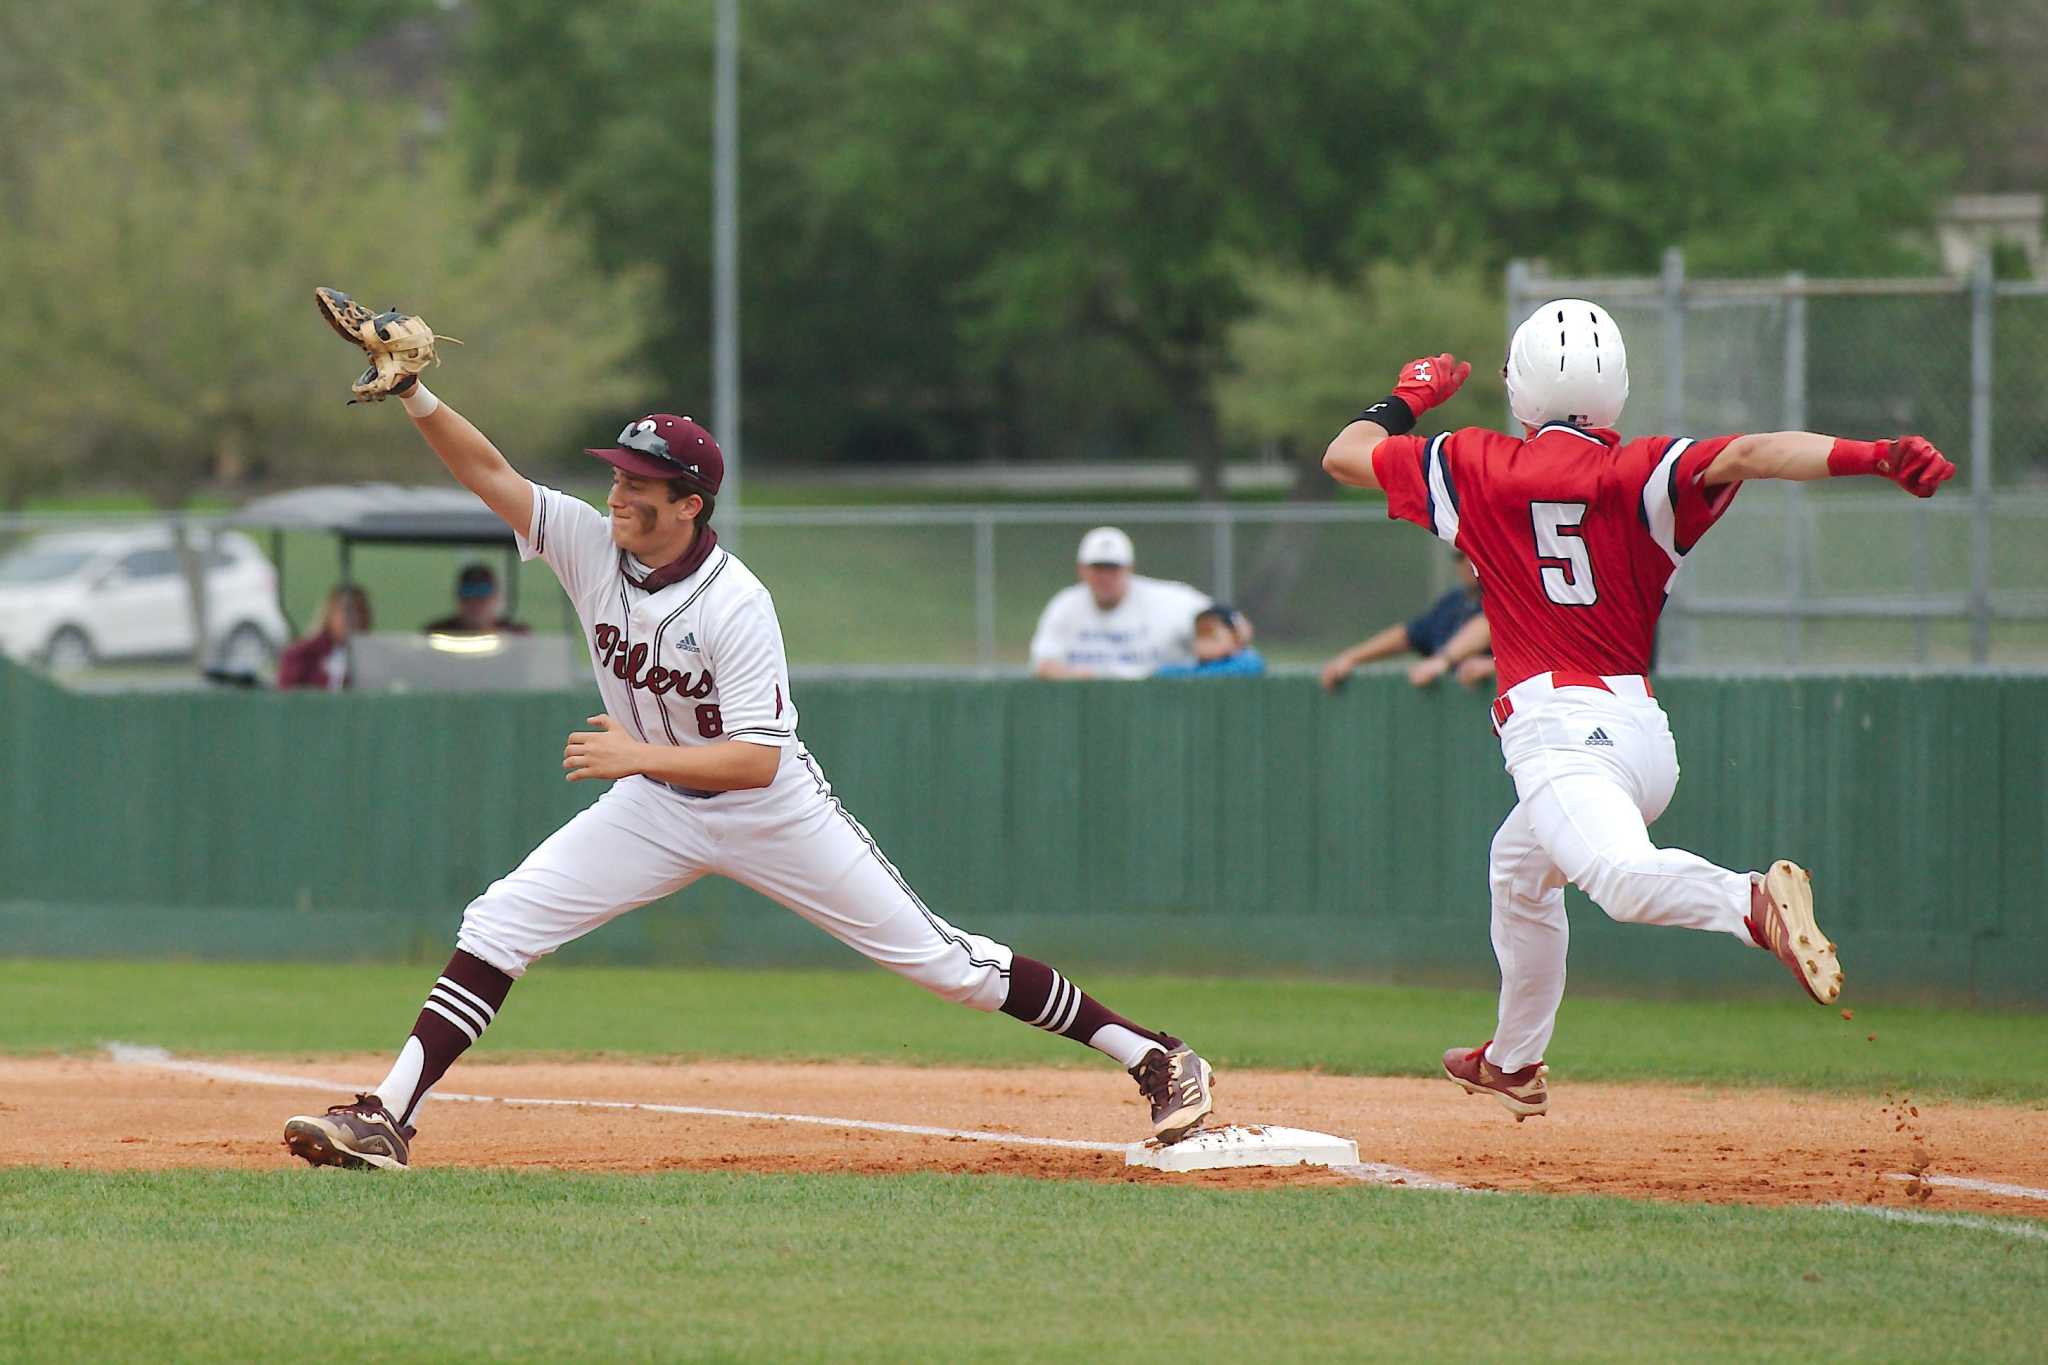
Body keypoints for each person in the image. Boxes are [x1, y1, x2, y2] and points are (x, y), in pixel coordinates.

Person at [283, 365, 1216, 1172]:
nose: (618, 493)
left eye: (642, 483)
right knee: (502, 918)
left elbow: (757, 758)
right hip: (652, 805)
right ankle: (386, 1116)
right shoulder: (586, 543)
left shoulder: (736, 603)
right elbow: (488, 471)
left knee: (940, 961)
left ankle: (1152, 1056)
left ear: (690, 503)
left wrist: (634, 753)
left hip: (769, 809)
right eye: (618, 474)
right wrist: (416, 394)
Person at [1322, 299, 1955, 1121]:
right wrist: (1875, 454)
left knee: (1619, 879)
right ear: (1616, 389)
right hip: (1641, 735)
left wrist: (1410, 394)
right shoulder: (1645, 468)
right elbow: (1762, 451)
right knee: (1518, 873)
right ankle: (1513, 1061)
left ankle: (1749, 900)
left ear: (1519, 388)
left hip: (1558, 732)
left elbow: (1346, 455)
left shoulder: (1472, 463)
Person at [1029, 527, 1245, 679]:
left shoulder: (1167, 601)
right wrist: (1078, 678)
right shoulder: (1066, 606)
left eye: (1112, 568)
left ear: (1129, 569)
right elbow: (1044, 664)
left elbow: (1233, 624)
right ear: (1082, 570)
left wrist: (1222, 638)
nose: (1105, 577)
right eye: (1097, 568)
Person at [1319, 552, 1495, 692]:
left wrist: (1443, 660)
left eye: (1474, 552)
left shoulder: (1506, 597)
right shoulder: (1453, 603)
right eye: (1460, 555)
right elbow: (1408, 635)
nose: (1467, 561)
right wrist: (1351, 658)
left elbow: (1487, 623)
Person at [276, 584, 370, 691]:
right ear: (330, 613)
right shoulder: (301, 654)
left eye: (360, 611)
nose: (353, 619)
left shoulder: (373, 656)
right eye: (345, 611)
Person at [1152, 604, 1265, 677]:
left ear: (1235, 637)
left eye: (1211, 635)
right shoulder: (1194, 667)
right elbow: (1163, 673)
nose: (1202, 641)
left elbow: (1250, 665)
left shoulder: (1247, 662)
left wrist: (1241, 639)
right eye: (1199, 634)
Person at [424, 563, 530, 636]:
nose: (474, 602)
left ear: (497, 597)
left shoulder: (515, 637)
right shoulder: (438, 634)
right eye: (467, 593)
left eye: (483, 593)